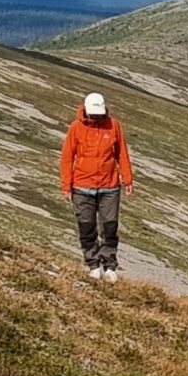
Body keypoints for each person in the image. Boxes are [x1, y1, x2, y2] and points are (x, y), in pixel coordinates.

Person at [59, 92, 134, 282]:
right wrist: (66, 185)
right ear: (86, 110)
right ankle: (92, 264)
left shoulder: (114, 125)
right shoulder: (76, 128)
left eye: (99, 114)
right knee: (86, 226)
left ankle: (109, 265)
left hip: (109, 187)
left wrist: (127, 179)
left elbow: (121, 154)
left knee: (109, 226)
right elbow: (67, 157)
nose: (96, 117)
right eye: (93, 114)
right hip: (82, 186)